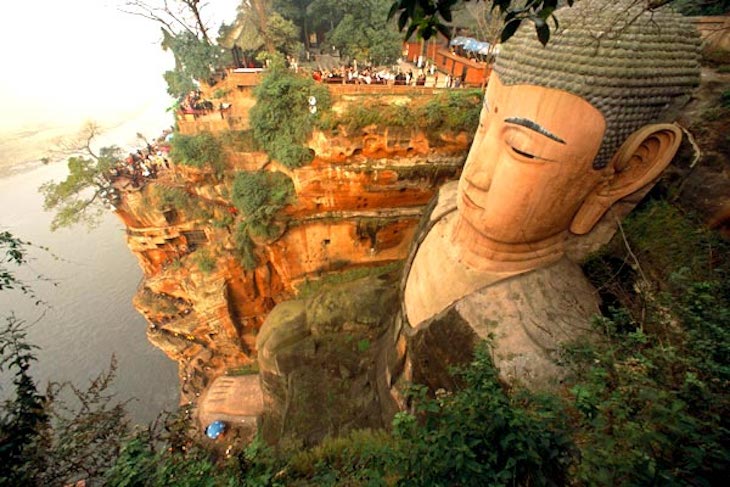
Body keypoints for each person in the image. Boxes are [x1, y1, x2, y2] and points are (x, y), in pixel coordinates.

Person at [399, 0, 700, 388]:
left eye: (523, 149)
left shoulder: (549, 350)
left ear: (628, 169)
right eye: (482, 126)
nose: (474, 172)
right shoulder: (445, 206)